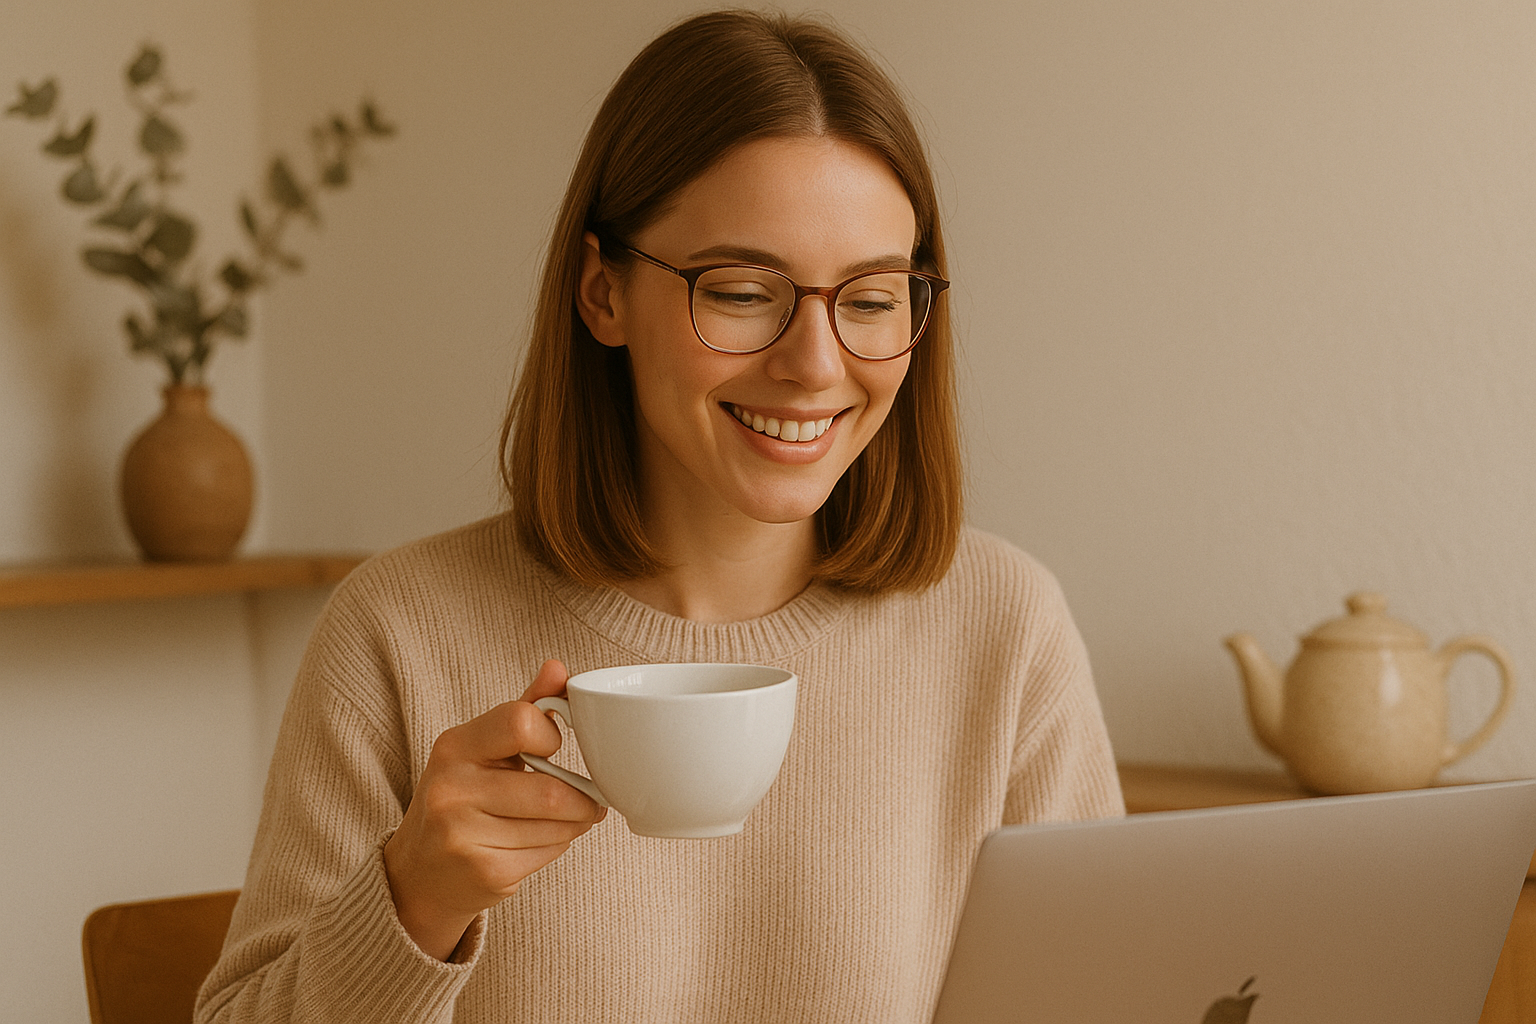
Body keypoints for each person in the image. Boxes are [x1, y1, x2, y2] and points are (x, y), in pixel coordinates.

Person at [195, 10, 1122, 1024]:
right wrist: (412, 901)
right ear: (602, 292)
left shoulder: (1005, 630)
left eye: (869, 300)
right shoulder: (400, 631)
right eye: (738, 291)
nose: (815, 364)